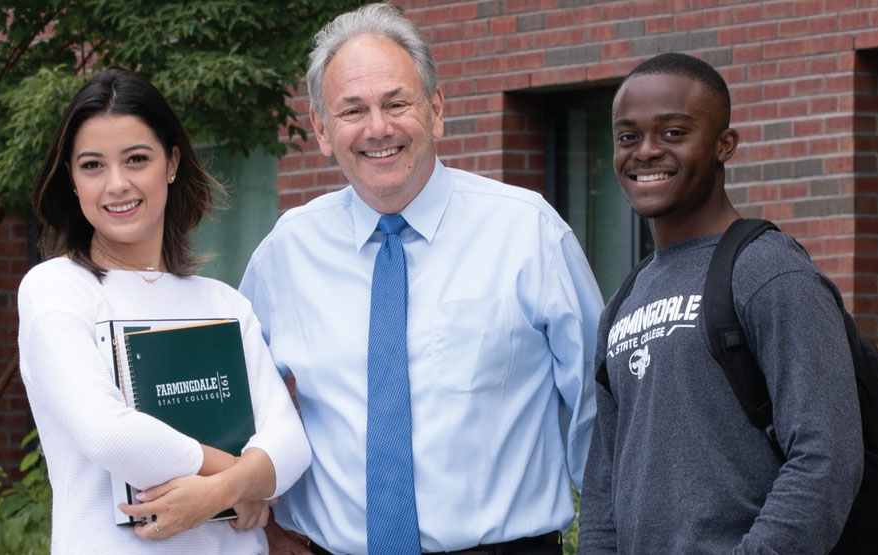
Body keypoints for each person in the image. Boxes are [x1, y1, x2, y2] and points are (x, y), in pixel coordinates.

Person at [237, 3, 604, 554]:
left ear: (435, 109)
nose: (378, 128)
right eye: (352, 110)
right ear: (320, 129)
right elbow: (242, 413)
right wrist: (267, 527)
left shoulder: (529, 232)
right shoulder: (284, 254)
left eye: (397, 102)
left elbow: (599, 413)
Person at [578, 52, 863, 554]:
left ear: (723, 145)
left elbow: (827, 455)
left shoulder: (769, 272)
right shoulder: (624, 300)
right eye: (628, 136)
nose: (645, 151)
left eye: (673, 133)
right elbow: (606, 481)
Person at [18, 68, 311, 554]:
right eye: (92, 165)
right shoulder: (56, 289)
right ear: (70, 177)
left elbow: (291, 443)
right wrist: (245, 480)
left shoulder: (223, 302)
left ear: (171, 163)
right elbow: (107, 432)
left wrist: (220, 493)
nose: (117, 184)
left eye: (137, 159)